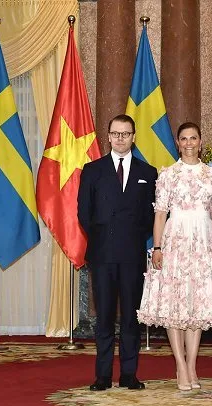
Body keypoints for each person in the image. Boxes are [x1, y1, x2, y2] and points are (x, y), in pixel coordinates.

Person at [137, 122, 212, 391]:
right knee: (173, 305)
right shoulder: (168, 175)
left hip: (203, 242)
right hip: (174, 240)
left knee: (197, 306)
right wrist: (157, 248)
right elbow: (159, 214)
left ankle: (191, 366)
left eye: (194, 138)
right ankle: (180, 364)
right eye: (184, 139)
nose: (189, 143)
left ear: (201, 142)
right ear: (178, 143)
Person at [77, 114, 157, 391]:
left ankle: (129, 374)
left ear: (134, 137)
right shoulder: (92, 170)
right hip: (101, 254)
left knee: (132, 317)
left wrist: (133, 236)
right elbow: (83, 213)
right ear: (108, 137)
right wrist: (103, 237)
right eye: (116, 133)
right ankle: (102, 375)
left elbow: (151, 217)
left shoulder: (148, 173)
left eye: (126, 133)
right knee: (105, 317)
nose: (121, 138)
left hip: (132, 254)